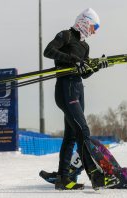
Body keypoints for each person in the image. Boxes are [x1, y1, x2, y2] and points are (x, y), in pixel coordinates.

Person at [43, 8, 118, 191]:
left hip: (77, 88)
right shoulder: (66, 35)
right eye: (93, 27)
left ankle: (62, 179)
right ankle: (95, 175)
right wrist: (70, 58)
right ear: (84, 21)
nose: (93, 32)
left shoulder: (85, 46)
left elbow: (84, 74)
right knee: (83, 131)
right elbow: (48, 51)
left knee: (71, 136)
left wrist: (96, 67)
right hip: (65, 88)